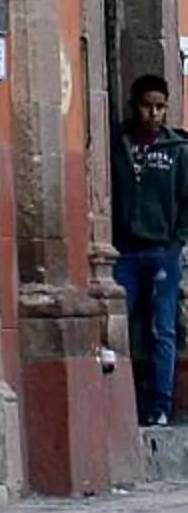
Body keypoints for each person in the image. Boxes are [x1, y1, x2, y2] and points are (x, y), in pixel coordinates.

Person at [110, 72, 188, 428]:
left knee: (162, 329)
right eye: (147, 106)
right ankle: (117, 402)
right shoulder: (118, 144)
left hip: (162, 252)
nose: (154, 114)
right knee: (115, 327)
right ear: (134, 105)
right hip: (123, 252)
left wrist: (176, 242)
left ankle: (160, 404)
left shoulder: (178, 150)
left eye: (160, 107)